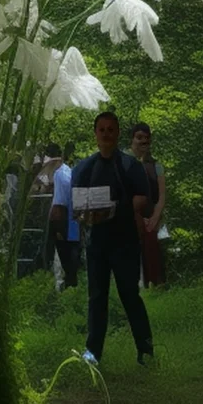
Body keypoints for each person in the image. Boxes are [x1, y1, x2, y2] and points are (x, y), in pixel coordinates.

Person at [71, 109, 154, 365]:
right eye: (101, 130)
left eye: (110, 129)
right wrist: (88, 216)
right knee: (97, 297)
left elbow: (143, 200)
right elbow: (77, 208)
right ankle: (93, 353)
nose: (106, 134)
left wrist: (118, 208)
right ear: (95, 134)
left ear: (118, 133)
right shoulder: (84, 168)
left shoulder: (130, 165)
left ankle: (146, 350)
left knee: (130, 294)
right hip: (97, 243)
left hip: (125, 242)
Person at [130, 122, 168, 287]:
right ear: (132, 139)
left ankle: (153, 287)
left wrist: (154, 217)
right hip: (129, 217)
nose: (143, 141)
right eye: (139, 137)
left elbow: (161, 195)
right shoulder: (124, 161)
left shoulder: (156, 165)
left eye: (146, 138)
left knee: (152, 255)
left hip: (151, 218)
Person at [48, 140, 81, 289]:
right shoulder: (69, 171)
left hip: (61, 215)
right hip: (72, 215)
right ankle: (71, 282)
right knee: (72, 249)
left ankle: (68, 283)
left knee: (63, 252)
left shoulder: (58, 174)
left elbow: (60, 200)